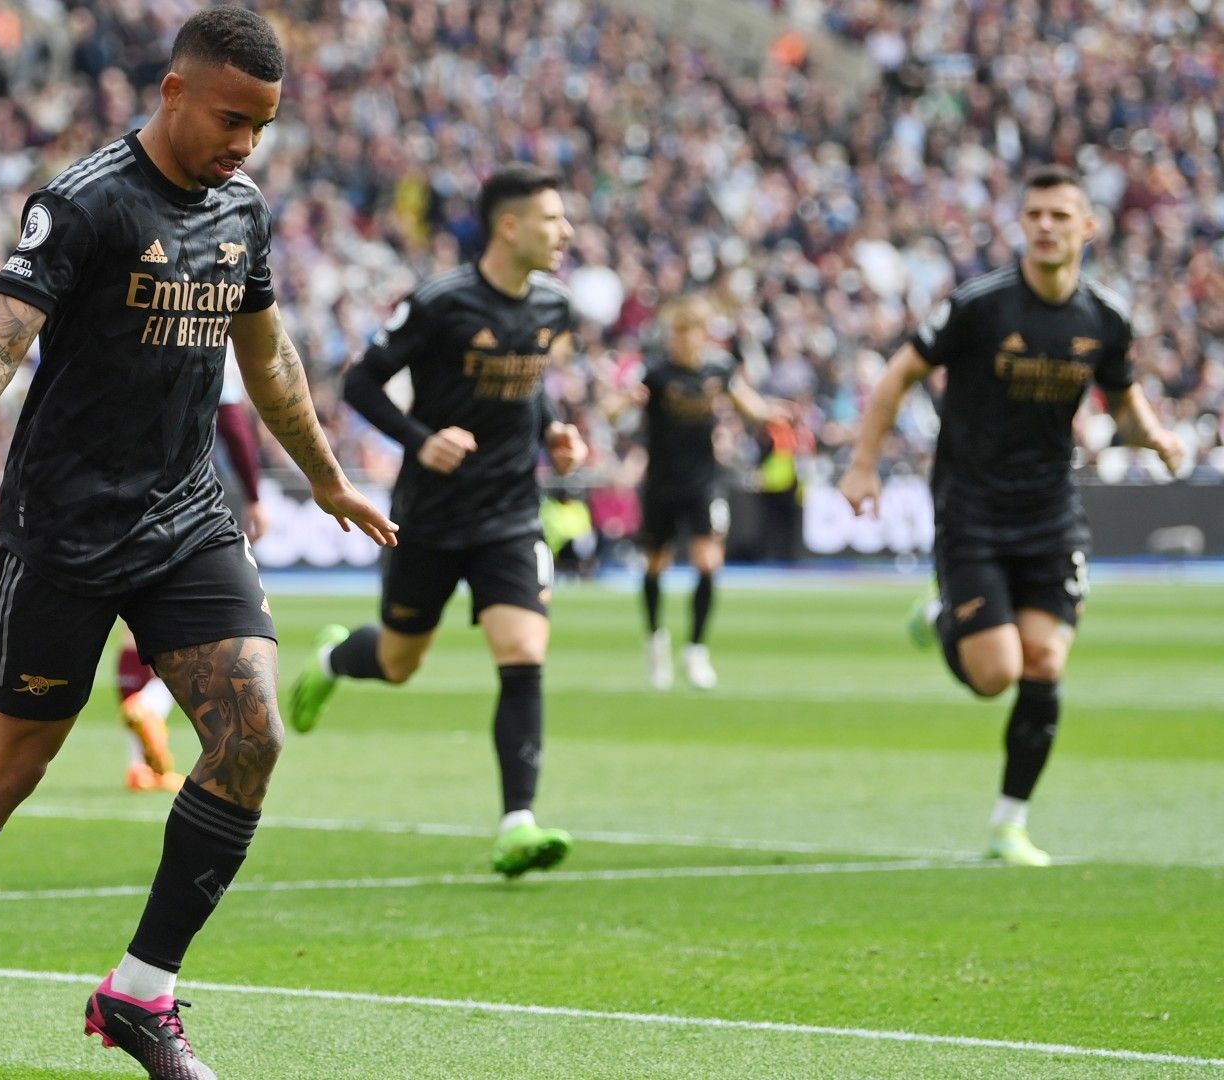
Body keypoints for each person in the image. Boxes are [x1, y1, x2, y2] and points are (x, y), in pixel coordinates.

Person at [0, 11, 396, 1079]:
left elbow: (268, 356)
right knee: (11, 766)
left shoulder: (244, 209)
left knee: (255, 734)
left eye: (265, 127)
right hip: (65, 526)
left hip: (187, 515)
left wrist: (323, 474)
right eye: (233, 119)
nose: (247, 145)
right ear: (175, 91)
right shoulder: (86, 201)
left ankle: (143, 993)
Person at [839, 164, 1185, 867]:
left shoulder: (1106, 319)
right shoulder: (980, 305)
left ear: (1088, 226)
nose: (1048, 226)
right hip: (970, 505)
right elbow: (898, 375)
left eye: (1062, 215)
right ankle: (942, 617)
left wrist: (1158, 435)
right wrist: (862, 463)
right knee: (993, 673)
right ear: (1021, 225)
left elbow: (1122, 399)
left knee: (1045, 661)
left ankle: (1008, 824)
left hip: (1051, 509)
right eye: (1036, 215)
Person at [286, 164, 587, 878]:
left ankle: (518, 822)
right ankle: (334, 659)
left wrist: (554, 433)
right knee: (398, 662)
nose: (565, 232)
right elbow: (360, 382)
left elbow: (527, 385)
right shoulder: (439, 302)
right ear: (508, 226)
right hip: (431, 513)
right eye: (552, 219)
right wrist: (423, 439)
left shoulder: (553, 304)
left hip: (512, 512)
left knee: (523, 652)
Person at [115, 363, 268, 794]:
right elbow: (234, 425)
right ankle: (151, 703)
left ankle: (139, 765)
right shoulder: (203, 327)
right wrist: (255, 496)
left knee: (131, 628)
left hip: (117, 495)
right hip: (189, 501)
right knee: (214, 631)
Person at [629, 294, 786, 691]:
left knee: (707, 562)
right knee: (655, 566)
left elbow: (747, 404)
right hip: (662, 482)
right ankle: (656, 641)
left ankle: (696, 649)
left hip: (703, 481)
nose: (680, 340)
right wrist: (622, 401)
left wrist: (772, 413)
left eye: (688, 331)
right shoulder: (657, 374)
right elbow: (621, 407)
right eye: (676, 332)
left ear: (702, 334)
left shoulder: (719, 369)